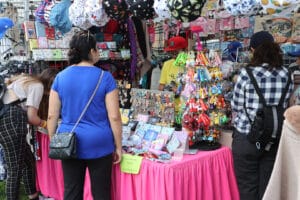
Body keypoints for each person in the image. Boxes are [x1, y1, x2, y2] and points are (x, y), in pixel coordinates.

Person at [47, 30, 122, 200]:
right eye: (97, 49)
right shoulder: (105, 77)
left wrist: (55, 141)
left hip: (69, 141)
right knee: (101, 193)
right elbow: (114, 116)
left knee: (72, 192)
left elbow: (52, 115)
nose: (98, 52)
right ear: (91, 51)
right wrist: (118, 145)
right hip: (99, 142)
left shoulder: (60, 77)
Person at [231, 31, 294, 200]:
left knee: (247, 187)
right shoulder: (287, 74)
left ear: (253, 50)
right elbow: (287, 104)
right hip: (274, 136)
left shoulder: (246, 74)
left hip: (247, 137)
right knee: (268, 188)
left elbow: (236, 105)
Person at [0, 68, 58, 200]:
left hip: (6, 120)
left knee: (28, 162)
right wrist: (47, 125)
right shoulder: (37, 86)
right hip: (12, 121)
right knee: (15, 169)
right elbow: (32, 117)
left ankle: (33, 196)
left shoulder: (28, 80)